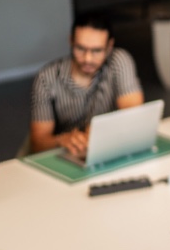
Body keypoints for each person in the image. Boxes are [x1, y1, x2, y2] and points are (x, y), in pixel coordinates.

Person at [29, 12, 144, 155]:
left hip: (105, 147)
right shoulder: (46, 78)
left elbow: (134, 114)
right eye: (80, 48)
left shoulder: (118, 61)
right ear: (71, 41)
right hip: (64, 153)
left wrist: (103, 129)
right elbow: (38, 143)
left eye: (97, 51)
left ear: (109, 46)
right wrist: (61, 140)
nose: (88, 58)